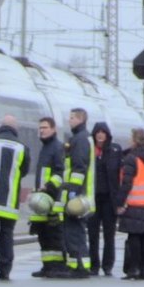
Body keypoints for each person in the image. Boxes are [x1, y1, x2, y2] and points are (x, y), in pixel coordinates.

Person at [0, 115, 30, 280]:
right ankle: (5, 269)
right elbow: (24, 171)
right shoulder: (22, 148)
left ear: (0, 126)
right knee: (7, 234)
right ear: (15, 129)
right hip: (10, 200)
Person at [116, 128, 144, 280]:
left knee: (134, 236)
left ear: (134, 140)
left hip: (134, 201)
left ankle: (133, 268)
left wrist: (120, 202)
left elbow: (126, 183)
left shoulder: (131, 158)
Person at [58, 108, 95, 278]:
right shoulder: (83, 137)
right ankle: (77, 264)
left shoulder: (80, 140)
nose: (69, 120)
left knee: (75, 232)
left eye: (72, 117)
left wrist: (73, 190)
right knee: (74, 231)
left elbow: (79, 168)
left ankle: (80, 266)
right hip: (82, 193)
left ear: (81, 119)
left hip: (78, 195)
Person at [29, 116, 67, 277]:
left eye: (45, 127)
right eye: (40, 128)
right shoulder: (45, 148)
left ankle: (56, 266)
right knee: (43, 234)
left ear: (53, 129)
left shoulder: (57, 148)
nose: (42, 130)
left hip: (53, 199)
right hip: (42, 198)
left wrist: (49, 186)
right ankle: (47, 265)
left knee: (53, 235)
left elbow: (60, 173)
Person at [86, 122, 122, 276]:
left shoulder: (115, 150)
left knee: (109, 234)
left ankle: (108, 265)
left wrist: (120, 200)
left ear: (107, 134)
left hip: (109, 199)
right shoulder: (89, 150)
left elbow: (120, 173)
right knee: (92, 234)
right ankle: (94, 264)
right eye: (97, 132)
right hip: (93, 198)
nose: (100, 135)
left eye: (103, 132)